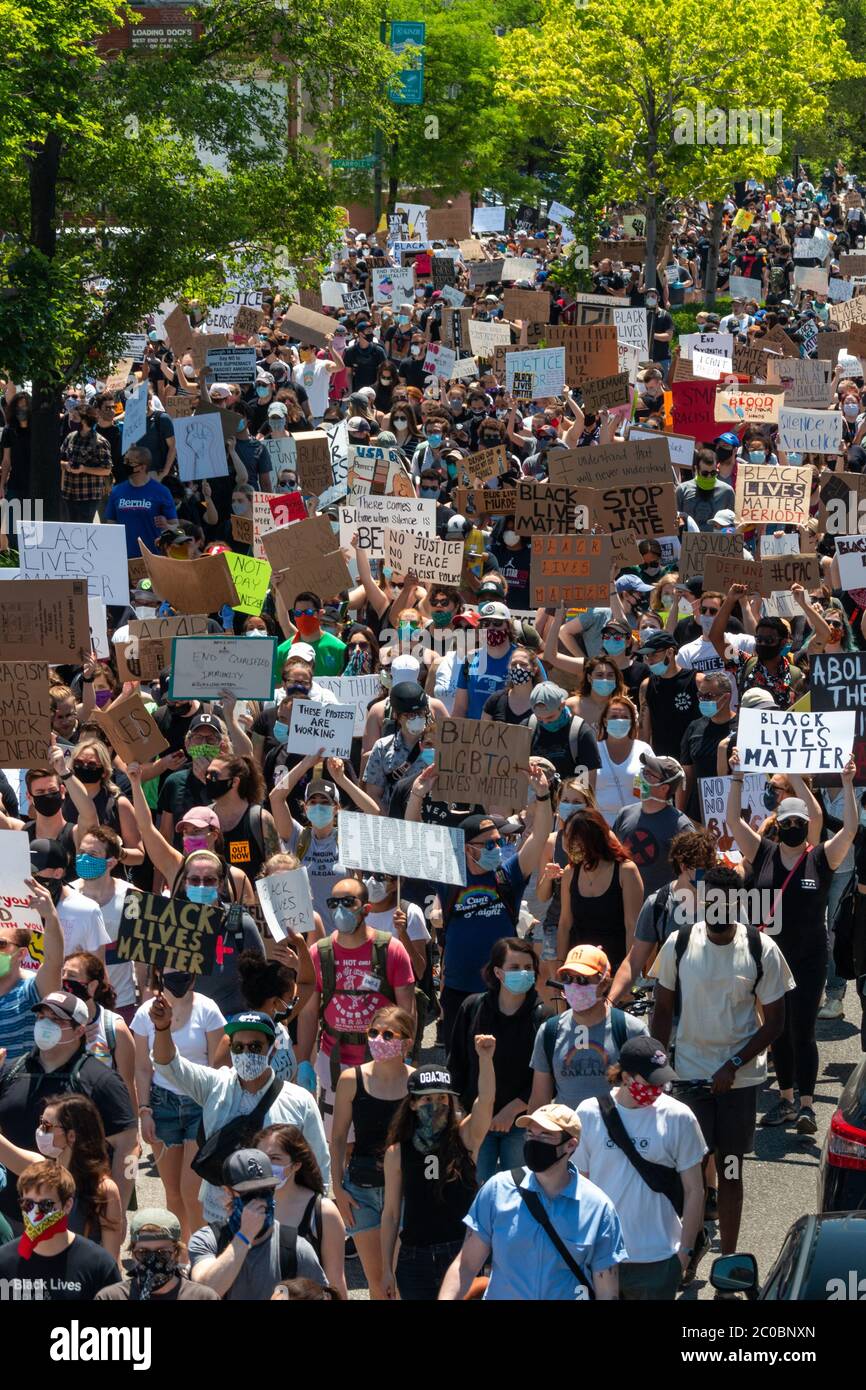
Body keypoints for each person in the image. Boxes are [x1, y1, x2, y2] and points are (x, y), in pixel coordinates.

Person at [651, 866, 794, 1263]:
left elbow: (776, 1021)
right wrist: (658, 1070)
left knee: (730, 1169)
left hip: (739, 1080)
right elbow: (662, 1011)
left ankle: (729, 1260)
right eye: (709, 899)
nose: (715, 908)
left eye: (724, 901)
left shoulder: (760, 948)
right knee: (690, 1170)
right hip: (690, 1077)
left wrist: (732, 1064)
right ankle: (686, 1251)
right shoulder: (678, 944)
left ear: (738, 903)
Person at [727, 754, 859, 1134]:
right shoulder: (763, 852)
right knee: (777, 1029)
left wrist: (848, 784)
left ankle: (805, 1104)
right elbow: (734, 821)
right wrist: (736, 777)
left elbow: (849, 830)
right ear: (779, 824)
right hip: (772, 958)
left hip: (810, 957)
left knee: (803, 1030)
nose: (794, 828)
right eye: (787, 823)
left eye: (800, 823)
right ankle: (784, 1099)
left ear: (807, 826)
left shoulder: (820, 857)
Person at [149, 996, 330, 1233]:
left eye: (255, 1046)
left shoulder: (299, 1100)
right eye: (238, 1047)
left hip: (279, 1222)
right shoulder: (214, 1085)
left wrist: (317, 1220)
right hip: (219, 1217)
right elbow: (168, 1065)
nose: (246, 1053)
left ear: (272, 1048)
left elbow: (319, 1164)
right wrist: (162, 1028)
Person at [438, 1103, 626, 1301]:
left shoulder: (599, 1208)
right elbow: (466, 1265)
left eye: (545, 1135)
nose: (534, 1141)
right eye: (529, 1134)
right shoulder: (497, 1190)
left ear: (571, 1145)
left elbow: (607, 1290)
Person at [575, 1037, 707, 1300]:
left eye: (663, 1082)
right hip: (601, 1258)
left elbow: (695, 1190)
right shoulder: (588, 1113)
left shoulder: (680, 1117)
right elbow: (580, 1187)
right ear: (625, 1077)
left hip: (659, 1260)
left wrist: (685, 1254)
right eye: (651, 1082)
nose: (658, 1089)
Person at [435, 764, 553, 1049]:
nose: (497, 849)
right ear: (467, 847)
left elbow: (540, 837)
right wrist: (417, 794)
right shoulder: (449, 874)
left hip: (500, 989)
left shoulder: (508, 874)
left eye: (499, 842)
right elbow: (412, 834)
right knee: (458, 1060)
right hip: (457, 988)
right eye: (489, 845)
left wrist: (543, 796)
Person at [0, 991, 137, 1234]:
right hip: (11, 1213)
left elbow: (128, 1147)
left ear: (79, 1030)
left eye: (57, 1020)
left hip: (75, 1219)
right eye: (41, 1017)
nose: (45, 1024)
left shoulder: (102, 1081)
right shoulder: (11, 1072)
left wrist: (118, 1208)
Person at [296, 878, 416, 1135]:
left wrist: (404, 1054)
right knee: (339, 1138)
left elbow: (407, 1010)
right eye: (334, 902)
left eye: (348, 902)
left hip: (382, 1060)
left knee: (386, 1138)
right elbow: (308, 1013)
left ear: (366, 909)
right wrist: (304, 1060)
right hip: (334, 1062)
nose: (340, 909)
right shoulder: (319, 953)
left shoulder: (391, 950)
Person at [381, 1045, 496, 1301]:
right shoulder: (397, 1151)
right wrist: (386, 1269)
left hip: (462, 1255)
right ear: (412, 1104)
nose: (436, 1105)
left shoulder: (465, 1138)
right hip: (414, 1260)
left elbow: (486, 1102)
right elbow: (390, 1214)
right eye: (427, 1099)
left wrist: (485, 1059)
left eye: (442, 1098)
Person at [132, 968, 226, 1243]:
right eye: (171, 971)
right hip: (163, 1105)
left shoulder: (208, 1010)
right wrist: (145, 1110)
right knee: (171, 1189)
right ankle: (182, 1251)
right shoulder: (145, 1014)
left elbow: (218, 1064)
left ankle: (201, 1253)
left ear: (194, 975)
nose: (178, 977)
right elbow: (141, 1068)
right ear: (160, 974)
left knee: (192, 1189)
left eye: (183, 971)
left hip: (200, 1103)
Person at [330, 1006, 414, 1299]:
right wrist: (337, 1188)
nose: (378, 1039)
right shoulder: (351, 1079)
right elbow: (339, 1136)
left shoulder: (416, 1083)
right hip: (361, 1190)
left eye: (388, 1034)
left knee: (400, 1281)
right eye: (373, 1032)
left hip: (404, 1191)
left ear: (407, 1042)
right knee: (377, 1283)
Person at [447, 937, 546, 1183]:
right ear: (498, 972)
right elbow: (457, 1063)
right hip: (476, 1120)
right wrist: (457, 1110)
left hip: (519, 1123)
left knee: (519, 1191)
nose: (523, 973)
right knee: (475, 1189)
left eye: (528, 967)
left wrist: (511, 1111)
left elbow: (544, 1076)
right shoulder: (473, 1007)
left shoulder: (542, 1015)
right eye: (515, 968)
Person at [188, 1148, 325, 1299]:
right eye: (250, 1194)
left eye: (266, 1191)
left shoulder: (296, 1249)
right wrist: (245, 1236)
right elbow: (205, 1293)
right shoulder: (207, 1240)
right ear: (228, 1192)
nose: (259, 1201)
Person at [0, 1093, 122, 1260]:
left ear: (71, 1136)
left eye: (47, 1125)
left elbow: (111, 1259)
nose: (40, 1131)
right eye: (40, 1122)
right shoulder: (40, 1170)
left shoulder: (104, 1189)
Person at [529, 946, 648, 1110]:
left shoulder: (631, 1030)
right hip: (566, 1133)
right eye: (567, 978)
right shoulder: (549, 1031)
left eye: (582, 980)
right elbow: (539, 1098)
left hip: (615, 1133)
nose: (573, 986)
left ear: (603, 983)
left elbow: (645, 1096)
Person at [609, 829, 718, 1006]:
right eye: (703, 868)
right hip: (671, 1015)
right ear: (683, 866)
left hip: (717, 1011)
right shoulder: (658, 905)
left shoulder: (725, 903)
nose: (708, 873)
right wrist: (610, 1002)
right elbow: (634, 961)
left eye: (711, 866)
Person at [0, 1160, 118, 1301]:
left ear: (67, 1205)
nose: (35, 1213)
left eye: (46, 1204)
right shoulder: (4, 1261)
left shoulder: (99, 1265)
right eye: (28, 1204)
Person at [254, 1124, 348, 1298]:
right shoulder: (245, 1206)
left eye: (275, 1158)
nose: (266, 1165)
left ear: (296, 1165)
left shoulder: (323, 1212)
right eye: (261, 1157)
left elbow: (335, 1283)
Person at [556, 809, 644, 972]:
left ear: (592, 838)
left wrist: (628, 974)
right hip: (579, 970)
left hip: (615, 967)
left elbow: (632, 927)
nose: (567, 844)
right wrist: (561, 966)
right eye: (566, 836)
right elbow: (564, 924)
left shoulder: (626, 870)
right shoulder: (569, 872)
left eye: (574, 838)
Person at [612, 753, 693, 900]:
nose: (641, 776)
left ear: (664, 788)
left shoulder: (681, 826)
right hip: (623, 906)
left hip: (661, 911)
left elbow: (694, 873)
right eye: (643, 770)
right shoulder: (624, 814)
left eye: (649, 774)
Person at [60, 952, 137, 1106]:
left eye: (72, 976)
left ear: (92, 985)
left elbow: (127, 1087)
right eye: (63, 973)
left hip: (104, 1122)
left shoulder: (114, 1028)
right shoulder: (51, 1020)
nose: (64, 980)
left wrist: (132, 1128)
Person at [96, 1207, 220, 1301]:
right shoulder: (111, 1297)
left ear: (176, 1253)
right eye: (143, 1253)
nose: (153, 1260)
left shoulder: (203, 1297)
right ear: (132, 1254)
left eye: (163, 1253)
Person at [0, 878, 64, 1060]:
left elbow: (54, 962)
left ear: (21, 954)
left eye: (1, 944)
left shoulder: (30, 991)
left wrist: (51, 917)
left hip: (16, 1086)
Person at [104, 444, 178, 557]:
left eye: (130, 462)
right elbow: (111, 525)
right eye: (125, 460)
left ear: (143, 467)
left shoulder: (161, 491)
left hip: (154, 557)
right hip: (124, 557)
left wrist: (166, 525)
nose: (125, 464)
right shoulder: (116, 491)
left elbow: (176, 526)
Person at [594, 694, 653, 825]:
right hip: (599, 827)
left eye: (625, 717)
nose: (619, 720)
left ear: (632, 721)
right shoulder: (592, 751)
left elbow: (652, 790)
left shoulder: (644, 750)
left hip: (637, 824)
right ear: (604, 721)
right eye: (614, 717)